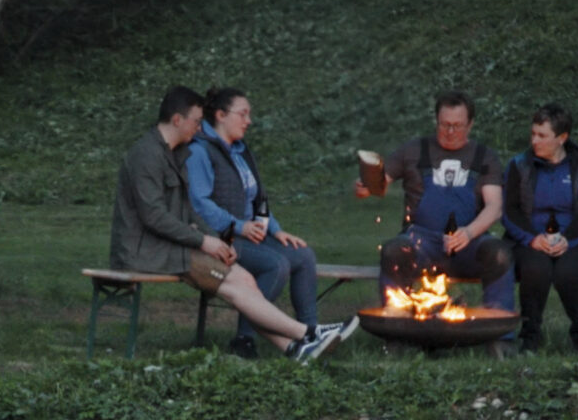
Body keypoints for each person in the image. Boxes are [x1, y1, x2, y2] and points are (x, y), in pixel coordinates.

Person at [116, 86, 355, 363]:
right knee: (238, 283)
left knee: (244, 279)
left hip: (175, 245)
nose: (199, 126)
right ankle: (309, 333)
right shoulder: (147, 155)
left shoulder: (175, 154)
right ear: (178, 120)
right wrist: (209, 240)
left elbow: (187, 212)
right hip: (149, 251)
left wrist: (214, 240)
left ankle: (296, 349)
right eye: (196, 120)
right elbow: (154, 217)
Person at [355, 90, 514, 335]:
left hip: (469, 243)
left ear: (470, 124)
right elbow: (380, 182)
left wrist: (469, 233)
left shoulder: (484, 157)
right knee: (395, 251)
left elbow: (495, 207)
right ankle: (397, 331)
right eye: (445, 125)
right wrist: (367, 186)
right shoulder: (414, 150)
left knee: (499, 254)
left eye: (457, 126)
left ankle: (499, 334)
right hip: (421, 243)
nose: (450, 132)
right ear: (436, 121)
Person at [185, 87, 321, 359]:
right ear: (221, 115)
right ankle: (244, 340)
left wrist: (275, 229)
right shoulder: (200, 152)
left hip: (250, 234)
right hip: (222, 237)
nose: (249, 121)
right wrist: (238, 226)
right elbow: (200, 204)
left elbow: (258, 198)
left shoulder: (241, 151)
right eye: (243, 114)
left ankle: (313, 333)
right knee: (276, 264)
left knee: (303, 255)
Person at [502, 104, 578, 353]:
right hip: (529, 239)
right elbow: (508, 210)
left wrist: (567, 239)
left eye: (542, 135)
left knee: (568, 274)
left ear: (562, 138)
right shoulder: (520, 165)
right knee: (535, 269)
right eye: (533, 134)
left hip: (576, 240)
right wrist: (531, 238)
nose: (534, 140)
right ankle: (530, 339)